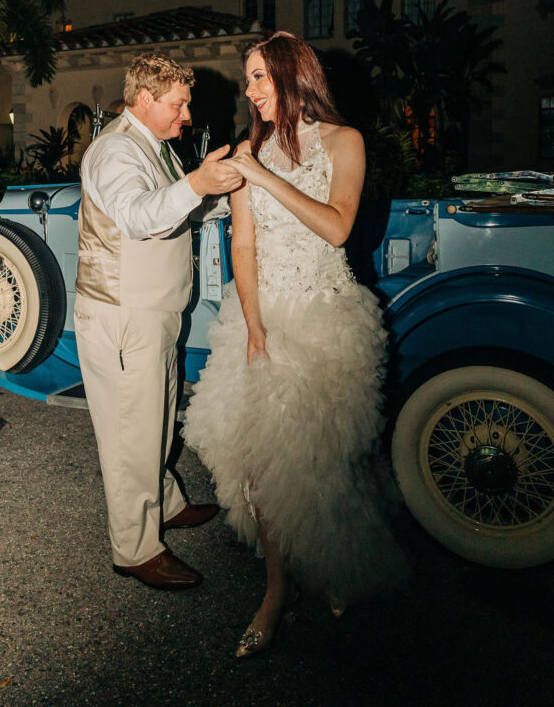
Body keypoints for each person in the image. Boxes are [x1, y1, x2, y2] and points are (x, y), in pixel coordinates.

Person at [183, 32, 407, 657]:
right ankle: (277, 592)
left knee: (320, 462)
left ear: (292, 76)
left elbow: (337, 227)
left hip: (327, 319)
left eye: (259, 78)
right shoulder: (248, 152)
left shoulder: (345, 142)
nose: (250, 92)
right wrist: (254, 328)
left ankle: (333, 563)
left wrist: (264, 174)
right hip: (263, 320)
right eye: (248, 79)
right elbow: (244, 246)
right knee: (259, 467)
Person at [74, 53, 241, 590]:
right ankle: (134, 548)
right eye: (178, 103)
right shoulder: (116, 150)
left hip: (156, 310)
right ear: (144, 98)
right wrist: (198, 182)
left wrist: (220, 194)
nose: (186, 115)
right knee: (131, 433)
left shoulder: (155, 147)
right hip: (124, 315)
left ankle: (165, 504)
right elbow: (140, 218)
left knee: (157, 421)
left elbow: (178, 210)